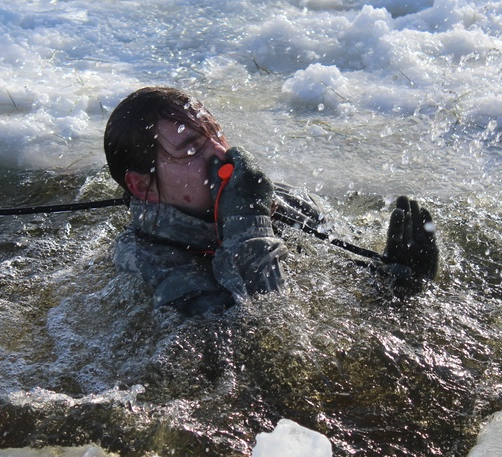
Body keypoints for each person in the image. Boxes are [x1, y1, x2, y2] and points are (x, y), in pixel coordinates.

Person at [103, 86, 438, 315]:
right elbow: (266, 341)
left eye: (216, 134)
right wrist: (248, 225)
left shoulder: (283, 201)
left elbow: (349, 302)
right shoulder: (144, 264)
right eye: (191, 149)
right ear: (142, 186)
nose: (221, 153)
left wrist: (401, 286)